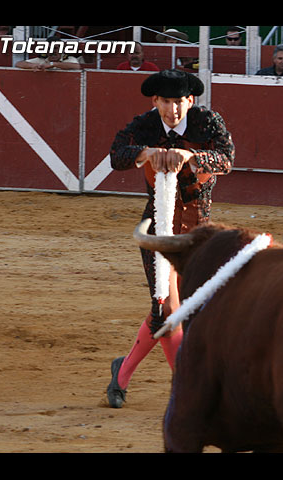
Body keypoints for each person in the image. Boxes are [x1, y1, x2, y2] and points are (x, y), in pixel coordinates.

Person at [106, 69, 235, 408]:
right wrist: (145, 153)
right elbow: (116, 154)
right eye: (166, 102)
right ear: (155, 101)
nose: (173, 110)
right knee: (168, 308)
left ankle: (121, 374)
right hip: (158, 231)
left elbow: (226, 159)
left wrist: (192, 156)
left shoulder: (206, 122)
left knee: (175, 311)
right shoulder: (145, 124)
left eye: (179, 102)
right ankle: (188, 390)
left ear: (190, 101)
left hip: (198, 232)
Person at [15, 36, 81, 71]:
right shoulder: (42, 59)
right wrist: (33, 65)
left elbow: (76, 66)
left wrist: (53, 64)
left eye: (55, 48)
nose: (52, 51)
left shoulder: (69, 59)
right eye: (49, 49)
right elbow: (18, 64)